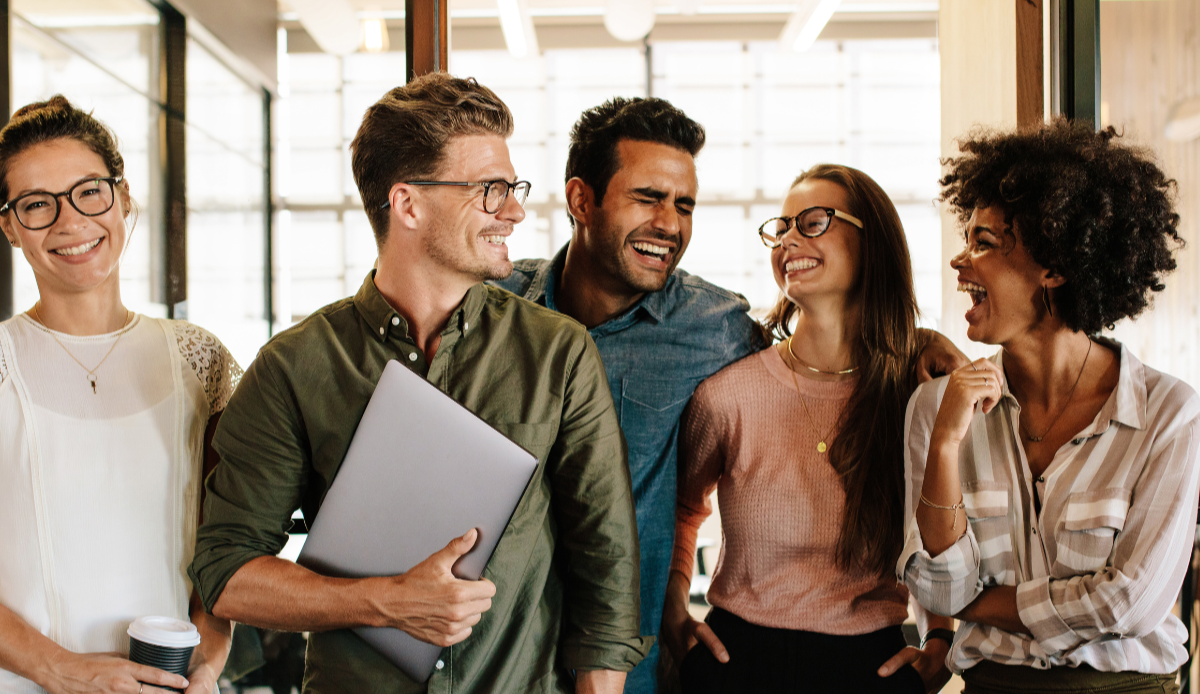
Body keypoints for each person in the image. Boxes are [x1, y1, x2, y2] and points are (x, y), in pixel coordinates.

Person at [188, 73, 650, 694]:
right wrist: (385, 602)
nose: (513, 210)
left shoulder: (557, 352)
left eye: (511, 188)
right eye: (490, 190)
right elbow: (227, 571)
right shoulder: (293, 369)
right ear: (408, 204)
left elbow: (607, 567)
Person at [494, 98, 967, 694]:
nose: (669, 222)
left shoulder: (716, 331)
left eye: (683, 204)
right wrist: (676, 613)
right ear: (580, 200)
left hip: (632, 665)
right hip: (500, 652)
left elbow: (943, 525)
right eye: (648, 197)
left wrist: (917, 343)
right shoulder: (493, 308)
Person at [901, 120, 1198, 694]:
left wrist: (977, 599)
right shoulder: (938, 406)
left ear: (1056, 266)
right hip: (993, 685)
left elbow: (1129, 604)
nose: (961, 263)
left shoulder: (1167, 413)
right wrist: (944, 444)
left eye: (984, 242)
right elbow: (936, 592)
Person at [660, 164, 954, 693]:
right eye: (783, 226)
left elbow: (940, 532)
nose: (789, 239)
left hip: (872, 666)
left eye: (814, 221)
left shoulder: (915, 390)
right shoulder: (729, 394)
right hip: (737, 663)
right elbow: (682, 509)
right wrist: (673, 612)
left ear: (873, 242)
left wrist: (941, 638)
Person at [0, 96, 235, 693]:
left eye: (89, 192)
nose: (70, 222)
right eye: (36, 205)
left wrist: (209, 661)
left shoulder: (197, 360)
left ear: (123, 198)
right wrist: (63, 672)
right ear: (9, 226)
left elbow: (229, 544)